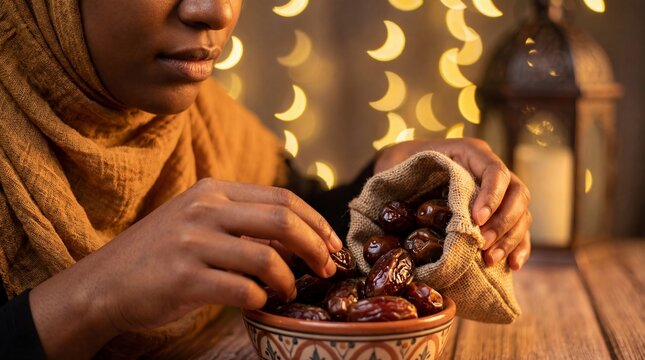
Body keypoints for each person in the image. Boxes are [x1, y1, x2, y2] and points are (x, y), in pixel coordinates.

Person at [0, 1, 532, 359]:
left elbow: (291, 226)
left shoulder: (206, 125)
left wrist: (387, 177)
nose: (217, 10)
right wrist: (97, 294)